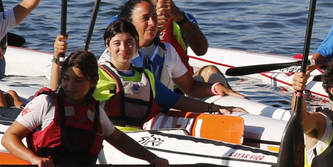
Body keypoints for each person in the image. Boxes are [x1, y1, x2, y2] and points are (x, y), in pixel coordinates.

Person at [2, 48, 170, 167]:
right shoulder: (46, 102)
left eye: (78, 81)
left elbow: (120, 140)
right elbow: (9, 138)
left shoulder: (95, 110)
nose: (70, 85)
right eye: (66, 79)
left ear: (93, 82)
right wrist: (35, 159)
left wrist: (152, 158)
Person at [94, 19, 237, 126]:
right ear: (108, 45)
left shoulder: (147, 77)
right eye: (117, 43)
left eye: (129, 42)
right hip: (109, 139)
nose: (124, 48)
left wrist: (215, 108)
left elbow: (177, 100)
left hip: (138, 137)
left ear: (136, 43)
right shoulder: (96, 76)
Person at [128, 0, 209, 56]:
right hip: (141, 69)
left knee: (211, 70)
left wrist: (181, 19)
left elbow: (201, 51)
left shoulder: (183, 17)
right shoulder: (121, 20)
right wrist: (152, 30)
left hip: (178, 70)